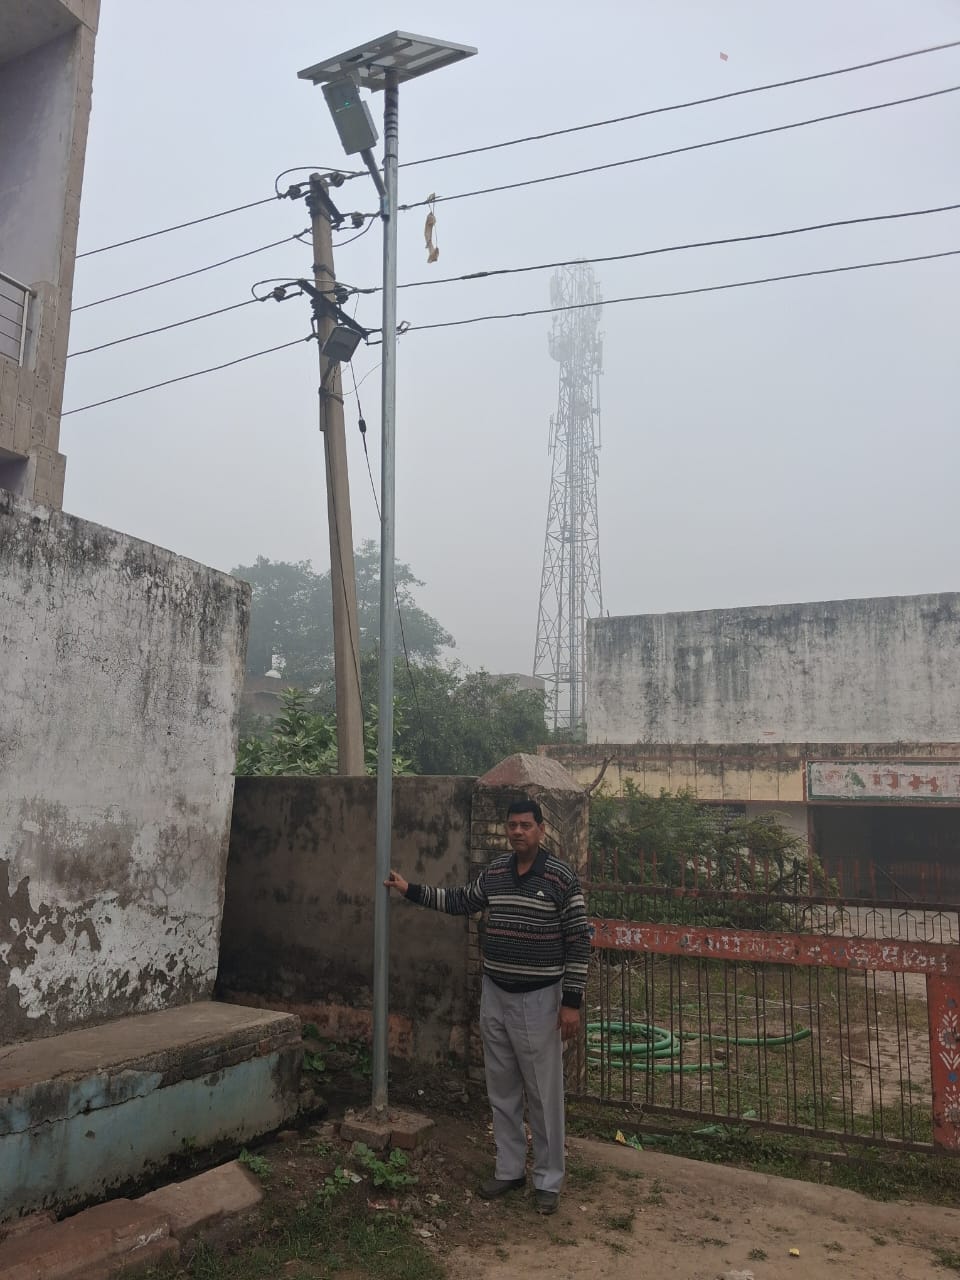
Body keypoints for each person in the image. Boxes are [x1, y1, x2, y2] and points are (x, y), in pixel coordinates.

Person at [384, 797, 591, 1216]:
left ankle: (548, 1180)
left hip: (540, 999)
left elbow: (579, 940)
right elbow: (460, 900)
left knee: (543, 1094)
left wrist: (571, 1002)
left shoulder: (560, 877)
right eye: (512, 825)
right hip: (495, 993)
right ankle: (509, 1169)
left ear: (541, 829)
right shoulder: (495, 873)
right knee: (502, 1088)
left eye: (526, 825)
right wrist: (411, 890)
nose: (518, 832)